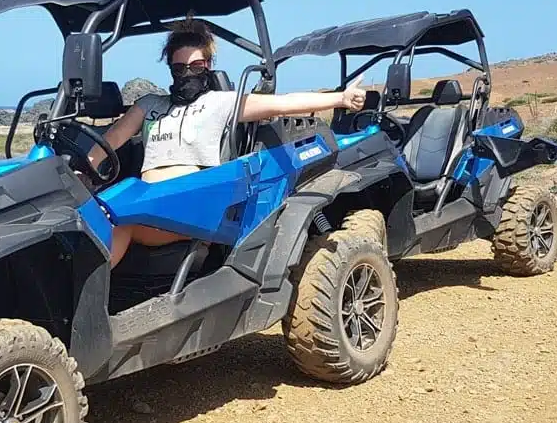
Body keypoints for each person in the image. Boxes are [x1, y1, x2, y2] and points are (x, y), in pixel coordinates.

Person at [84, 16, 367, 267]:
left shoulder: (220, 103)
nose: (188, 73)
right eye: (180, 67)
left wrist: (340, 98)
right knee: (93, 213)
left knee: (119, 222)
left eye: (196, 65)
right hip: (146, 201)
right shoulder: (150, 104)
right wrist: (86, 169)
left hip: (193, 205)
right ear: (170, 67)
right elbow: (115, 137)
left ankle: (86, 310)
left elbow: (283, 104)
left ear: (208, 65)